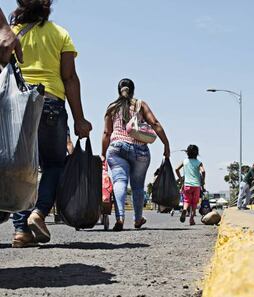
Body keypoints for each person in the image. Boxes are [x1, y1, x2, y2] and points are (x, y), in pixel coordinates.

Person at [10, 0, 92, 247]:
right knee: (55, 164)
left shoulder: (10, 34)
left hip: (17, 106)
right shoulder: (60, 34)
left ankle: (22, 230)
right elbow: (69, 78)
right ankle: (40, 212)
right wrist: (79, 119)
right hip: (51, 104)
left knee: (21, 167)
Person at [101, 78, 170, 231]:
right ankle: (138, 219)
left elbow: (107, 132)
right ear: (133, 90)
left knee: (119, 181)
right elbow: (155, 123)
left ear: (118, 90)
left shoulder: (111, 107)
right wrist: (166, 143)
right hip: (139, 150)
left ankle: (119, 217)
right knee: (138, 186)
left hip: (116, 147)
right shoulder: (140, 104)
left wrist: (103, 154)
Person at [175, 145, 206, 225]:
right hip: (196, 185)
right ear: (197, 153)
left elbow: (176, 169)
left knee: (186, 200)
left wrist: (181, 179)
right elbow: (203, 171)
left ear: (187, 153)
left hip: (187, 185)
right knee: (194, 203)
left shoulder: (184, 161)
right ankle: (191, 219)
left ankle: (185, 209)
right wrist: (203, 181)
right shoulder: (199, 162)